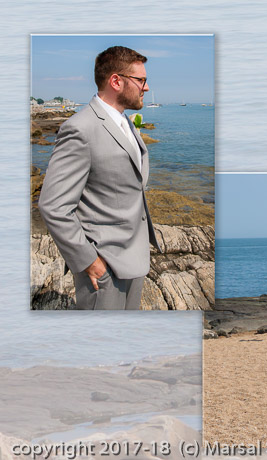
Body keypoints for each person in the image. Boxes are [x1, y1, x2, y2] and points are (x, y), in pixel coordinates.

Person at [38, 46, 160, 310]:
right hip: (104, 270)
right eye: (141, 80)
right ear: (116, 81)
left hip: (135, 262)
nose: (146, 88)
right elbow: (53, 206)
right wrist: (89, 261)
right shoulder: (80, 129)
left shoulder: (126, 122)